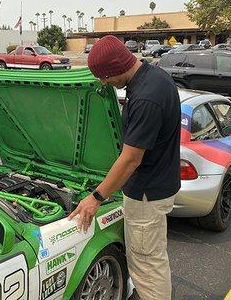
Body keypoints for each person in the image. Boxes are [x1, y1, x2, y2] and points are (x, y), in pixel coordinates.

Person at [68, 35, 180, 300]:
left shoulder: (146, 97)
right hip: (157, 187)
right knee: (154, 259)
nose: (103, 83)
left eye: (104, 77)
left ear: (116, 68)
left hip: (146, 194)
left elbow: (131, 159)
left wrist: (96, 197)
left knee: (146, 267)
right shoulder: (154, 77)